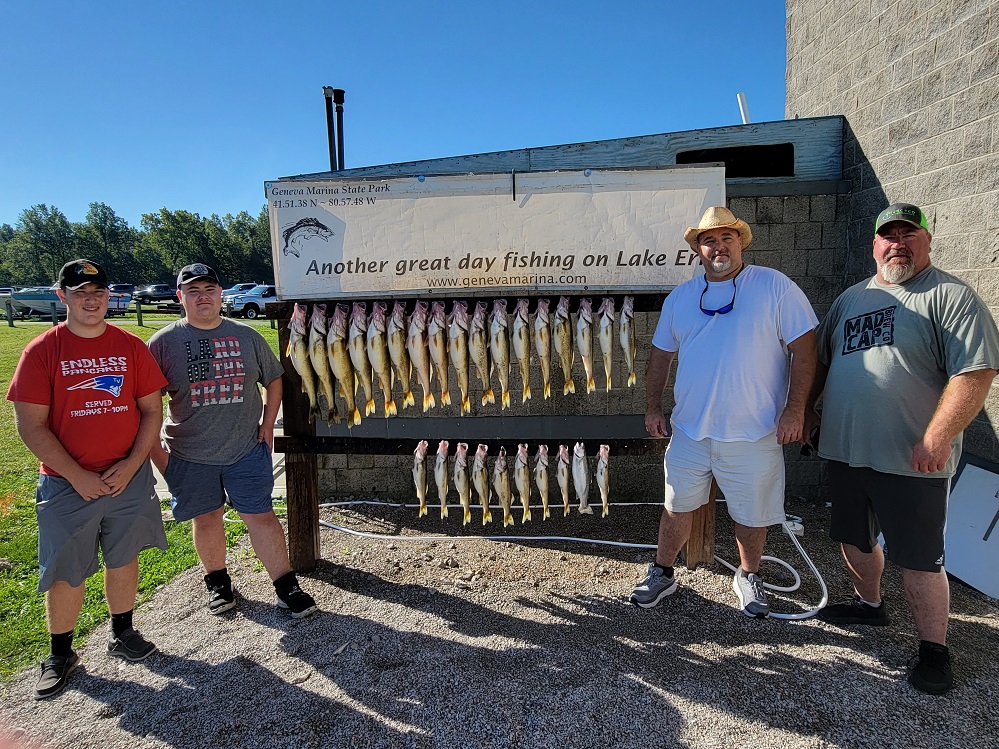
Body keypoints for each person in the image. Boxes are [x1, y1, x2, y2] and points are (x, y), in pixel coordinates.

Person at [805, 203, 999, 695]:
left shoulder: (950, 297)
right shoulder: (852, 299)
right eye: (887, 236)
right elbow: (822, 363)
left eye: (908, 234)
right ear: (874, 245)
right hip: (846, 451)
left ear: (926, 240)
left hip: (912, 460)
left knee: (920, 559)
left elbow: (974, 373)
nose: (897, 243)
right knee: (854, 539)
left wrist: (937, 436)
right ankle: (871, 605)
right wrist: (805, 409)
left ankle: (934, 649)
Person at [630, 207, 818, 617]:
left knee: (752, 514)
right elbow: (660, 357)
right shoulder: (681, 298)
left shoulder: (775, 286)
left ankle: (749, 576)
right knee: (677, 505)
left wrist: (795, 410)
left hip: (755, 432)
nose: (719, 246)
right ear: (698, 249)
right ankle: (662, 572)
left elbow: (805, 350)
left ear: (740, 242)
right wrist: (652, 407)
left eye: (726, 238)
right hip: (691, 432)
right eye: (709, 240)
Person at [7, 259, 168, 700]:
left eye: (97, 291)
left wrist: (134, 464)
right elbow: (30, 425)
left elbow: (152, 410)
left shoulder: (130, 347)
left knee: (124, 556)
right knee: (66, 570)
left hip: (127, 479)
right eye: (79, 292)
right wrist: (77, 475)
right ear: (62, 296)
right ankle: (60, 653)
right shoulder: (42, 351)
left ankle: (123, 631)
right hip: (67, 484)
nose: (90, 299)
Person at [148, 263, 317, 619]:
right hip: (189, 453)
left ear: (221, 294)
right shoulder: (163, 343)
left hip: (245, 449)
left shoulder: (246, 335)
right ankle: (218, 583)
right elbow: (146, 402)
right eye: (193, 291)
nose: (202, 297)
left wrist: (269, 424)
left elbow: (274, 380)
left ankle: (286, 586)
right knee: (207, 519)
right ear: (180, 297)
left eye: (209, 289)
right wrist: (155, 452)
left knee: (262, 516)